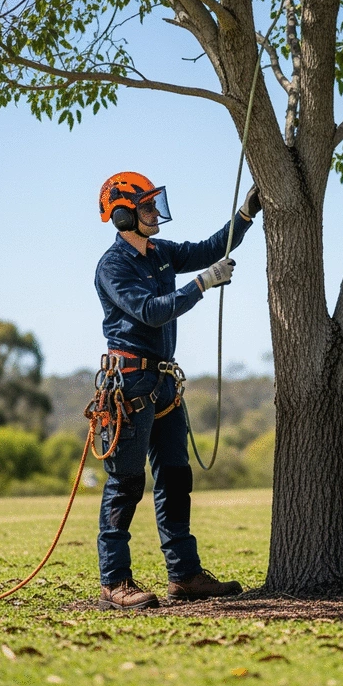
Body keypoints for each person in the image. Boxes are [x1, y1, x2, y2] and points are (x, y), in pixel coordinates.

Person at [94, 171, 262, 610]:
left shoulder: (160, 253)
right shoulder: (113, 267)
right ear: (123, 214)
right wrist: (202, 284)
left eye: (153, 204)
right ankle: (114, 584)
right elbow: (150, 312)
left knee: (175, 477)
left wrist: (246, 214)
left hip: (165, 382)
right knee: (126, 483)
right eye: (146, 207)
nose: (154, 213)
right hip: (129, 385)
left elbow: (209, 249)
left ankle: (184, 576)